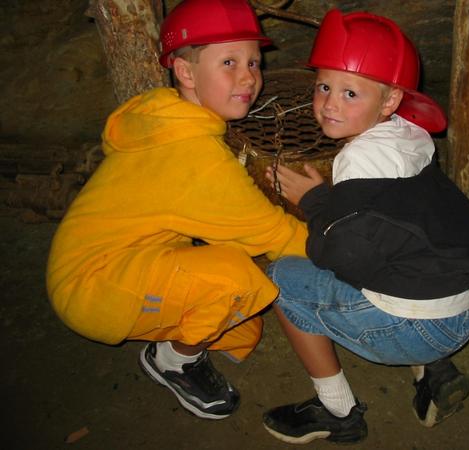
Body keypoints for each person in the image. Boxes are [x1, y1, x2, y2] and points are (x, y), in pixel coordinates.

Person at [46, 0, 307, 421]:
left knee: (243, 322)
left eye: (254, 62)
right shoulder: (193, 153)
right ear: (185, 72)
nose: (249, 77)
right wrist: (355, 252)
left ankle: (183, 333)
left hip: (97, 261)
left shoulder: (168, 115)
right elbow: (276, 235)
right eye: (229, 62)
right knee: (237, 282)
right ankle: (171, 360)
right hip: (90, 288)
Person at [262, 9, 469, 444]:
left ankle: (337, 411)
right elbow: (390, 223)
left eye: (350, 92)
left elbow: (343, 256)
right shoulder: (410, 136)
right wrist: (335, 201)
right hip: (460, 306)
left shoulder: (359, 161)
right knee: (402, 255)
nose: (330, 103)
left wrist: (316, 203)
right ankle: (434, 371)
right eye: (323, 86)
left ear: (390, 101)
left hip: (417, 327)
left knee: (281, 277)